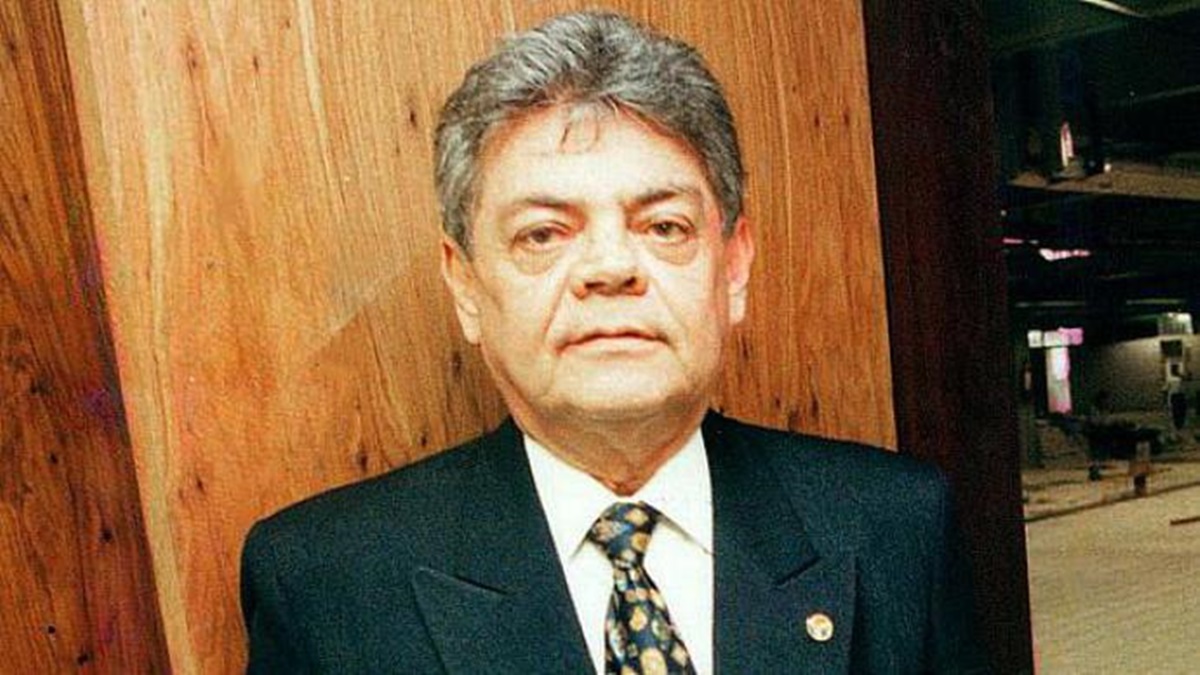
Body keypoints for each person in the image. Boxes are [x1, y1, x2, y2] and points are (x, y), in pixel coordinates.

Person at [240, 11, 987, 674]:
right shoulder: (325, 581)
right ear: (465, 284)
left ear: (732, 267)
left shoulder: (895, 525)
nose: (610, 267)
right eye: (543, 234)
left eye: (663, 226)